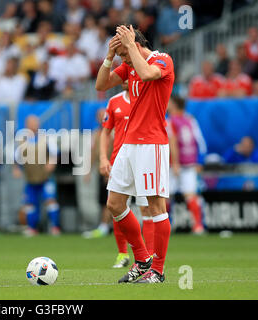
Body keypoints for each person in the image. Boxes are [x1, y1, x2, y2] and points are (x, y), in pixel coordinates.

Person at [95, 25, 175, 283]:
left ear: (136, 44)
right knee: (114, 204)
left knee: (155, 207)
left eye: (125, 54)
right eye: (120, 57)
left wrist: (130, 48)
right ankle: (142, 260)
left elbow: (147, 73)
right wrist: (109, 57)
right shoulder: (128, 63)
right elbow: (101, 84)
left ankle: (158, 271)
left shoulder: (162, 60)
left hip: (152, 144)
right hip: (129, 144)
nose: (124, 61)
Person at [83, 81, 153, 269]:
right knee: (116, 207)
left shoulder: (147, 98)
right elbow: (105, 132)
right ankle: (123, 254)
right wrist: (104, 159)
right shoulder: (114, 102)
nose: (123, 79)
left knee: (147, 209)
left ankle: (149, 254)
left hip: (143, 160)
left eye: (127, 75)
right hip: (119, 162)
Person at [12, 115, 61, 237]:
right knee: (30, 204)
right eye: (30, 123)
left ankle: (55, 227)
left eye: (35, 122)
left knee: (50, 201)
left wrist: (51, 163)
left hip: (46, 178)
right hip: (30, 178)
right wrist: (16, 168)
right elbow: (16, 157)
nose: (33, 125)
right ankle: (32, 228)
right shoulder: (22, 140)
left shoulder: (46, 138)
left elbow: (55, 153)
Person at [167, 96, 207, 234]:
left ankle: (169, 226)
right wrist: (200, 160)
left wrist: (176, 162)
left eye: (169, 102)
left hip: (175, 164)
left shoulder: (170, 121)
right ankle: (198, 226)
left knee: (168, 195)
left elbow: (173, 143)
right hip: (189, 162)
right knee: (189, 194)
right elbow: (200, 141)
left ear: (174, 104)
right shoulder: (190, 120)